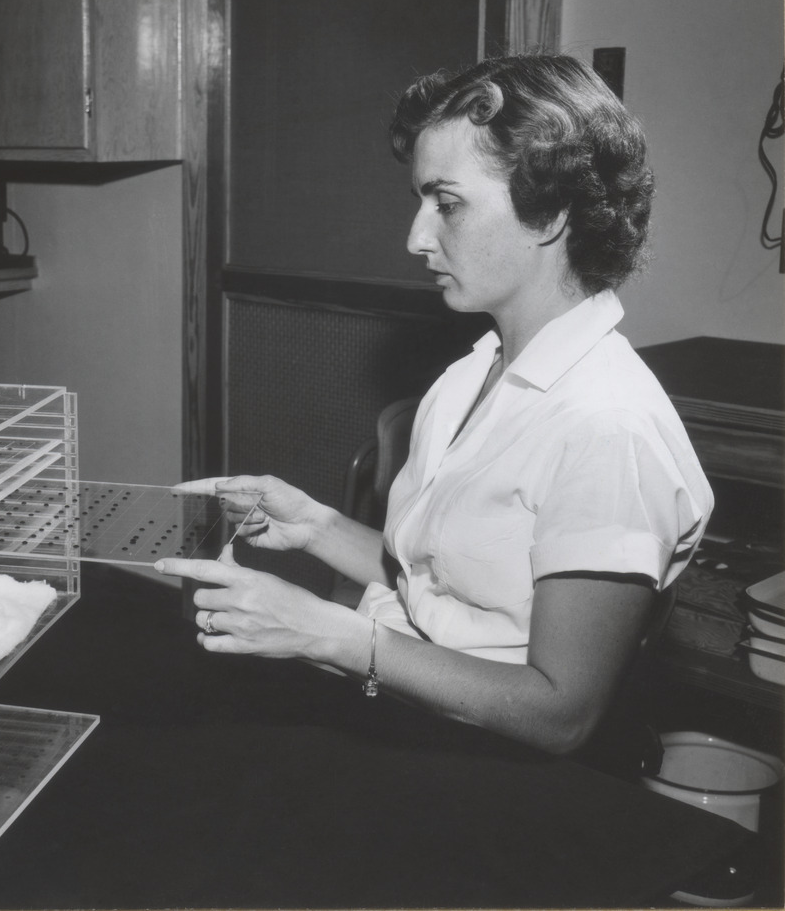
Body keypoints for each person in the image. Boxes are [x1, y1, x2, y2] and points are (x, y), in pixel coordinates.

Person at [154, 54, 713, 756]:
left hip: (502, 782)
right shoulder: (471, 375)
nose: (417, 237)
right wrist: (319, 525)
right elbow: (445, 589)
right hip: (403, 730)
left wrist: (333, 634)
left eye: (447, 204)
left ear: (551, 214)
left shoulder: (607, 427)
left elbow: (561, 711)